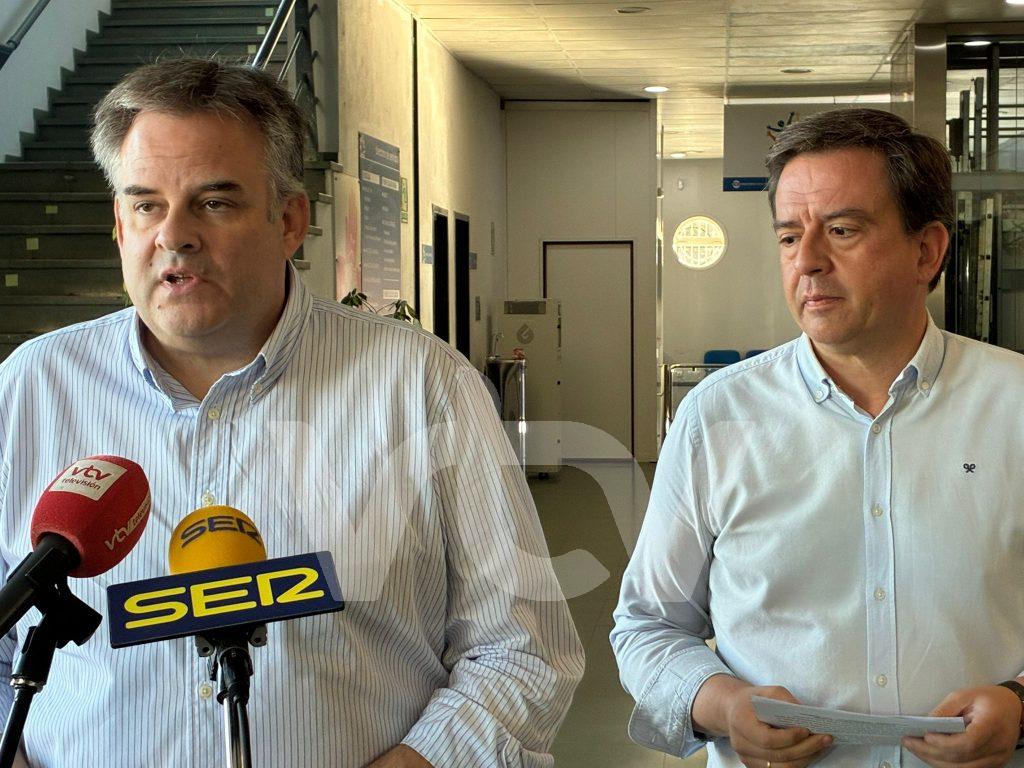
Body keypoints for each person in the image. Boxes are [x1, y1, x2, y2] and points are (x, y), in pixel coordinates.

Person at [0, 58, 583, 767]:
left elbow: (524, 653)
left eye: (215, 203)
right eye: (146, 204)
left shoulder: (423, 386)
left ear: (290, 220)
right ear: (119, 225)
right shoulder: (30, 389)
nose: (175, 235)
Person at [612, 107, 1024, 768]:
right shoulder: (716, 418)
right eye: (788, 236)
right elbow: (647, 626)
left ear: (927, 251)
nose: (806, 260)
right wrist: (725, 706)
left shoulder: (1014, 407)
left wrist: (1020, 705)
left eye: (841, 230)